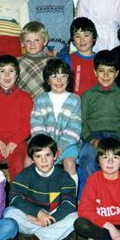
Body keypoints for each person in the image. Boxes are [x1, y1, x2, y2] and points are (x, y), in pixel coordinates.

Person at [4, 134, 78, 240]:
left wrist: (51, 220)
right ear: (32, 159)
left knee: (75, 217)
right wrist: (38, 213)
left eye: (47, 155)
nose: (44, 160)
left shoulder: (64, 176)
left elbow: (70, 203)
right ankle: (56, 235)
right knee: (10, 213)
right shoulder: (25, 175)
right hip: (32, 215)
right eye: (38, 156)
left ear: (55, 156)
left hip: (54, 215)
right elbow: (15, 198)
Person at [79, 50, 120, 178]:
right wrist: (92, 140)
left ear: (117, 73)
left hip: (117, 137)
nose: (106, 75)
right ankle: (99, 191)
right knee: (86, 159)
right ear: (95, 73)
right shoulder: (87, 96)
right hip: (94, 137)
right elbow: (81, 122)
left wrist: (117, 139)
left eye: (110, 71)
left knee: (116, 162)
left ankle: (115, 193)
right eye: (102, 71)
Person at [31, 59, 81, 190]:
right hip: (43, 145)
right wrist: (46, 148)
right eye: (54, 76)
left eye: (63, 75)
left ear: (68, 79)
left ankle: (71, 200)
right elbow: (37, 126)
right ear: (47, 80)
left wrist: (60, 148)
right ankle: (35, 195)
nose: (59, 80)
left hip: (68, 144)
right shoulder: (41, 99)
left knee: (69, 163)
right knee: (28, 161)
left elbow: (74, 128)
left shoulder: (75, 100)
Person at [0, 55, 33, 181]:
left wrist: (14, 142)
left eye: (11, 71)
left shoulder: (25, 98)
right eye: (2, 71)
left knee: (18, 165)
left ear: (17, 75)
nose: (7, 75)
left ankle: (17, 196)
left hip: (18, 142)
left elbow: (27, 126)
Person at [17, 21, 52, 98]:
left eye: (37, 40)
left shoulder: (53, 61)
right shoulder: (17, 62)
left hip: (47, 104)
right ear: (22, 43)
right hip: (24, 104)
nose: (32, 44)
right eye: (28, 41)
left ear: (45, 41)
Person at [64, 17, 98, 96]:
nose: (82, 40)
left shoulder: (100, 59)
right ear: (73, 40)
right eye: (77, 36)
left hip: (97, 103)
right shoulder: (68, 60)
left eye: (86, 35)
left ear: (94, 38)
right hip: (75, 103)